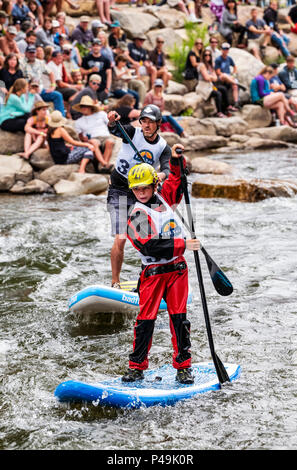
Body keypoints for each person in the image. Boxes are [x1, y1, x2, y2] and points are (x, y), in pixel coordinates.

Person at [122, 145, 200, 384]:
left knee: (179, 319)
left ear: (155, 185)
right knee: (146, 321)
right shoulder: (136, 214)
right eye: (136, 189)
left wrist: (176, 160)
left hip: (177, 271)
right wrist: (184, 244)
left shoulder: (165, 198)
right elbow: (149, 246)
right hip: (153, 273)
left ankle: (183, 367)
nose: (141, 193)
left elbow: (177, 180)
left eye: (145, 188)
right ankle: (136, 367)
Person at [107, 104, 172, 288]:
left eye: (151, 122)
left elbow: (167, 167)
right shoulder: (131, 133)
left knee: (146, 237)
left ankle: (147, 278)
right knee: (121, 237)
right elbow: (114, 129)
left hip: (141, 193)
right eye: (144, 121)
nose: (146, 125)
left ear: (158, 124)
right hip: (119, 189)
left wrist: (162, 175)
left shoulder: (162, 146)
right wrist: (112, 120)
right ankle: (115, 282)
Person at [20, 44, 65, 116]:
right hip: (27, 90)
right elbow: (19, 78)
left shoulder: (40, 62)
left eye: (33, 52)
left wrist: (53, 86)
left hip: (40, 89)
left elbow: (51, 73)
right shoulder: (21, 63)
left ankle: (60, 118)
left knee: (57, 95)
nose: (32, 54)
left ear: (35, 53)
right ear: (25, 53)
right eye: (30, 52)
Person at [72, 95, 115, 170]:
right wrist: (84, 139)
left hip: (105, 136)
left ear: (91, 107)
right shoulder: (78, 121)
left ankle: (103, 167)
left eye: (86, 106)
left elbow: (111, 124)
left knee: (110, 142)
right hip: (92, 138)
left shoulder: (101, 114)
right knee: (94, 142)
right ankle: (104, 164)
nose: (84, 108)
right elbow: (80, 136)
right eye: (82, 106)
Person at [198, 49, 229, 117]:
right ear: (203, 56)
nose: (207, 56)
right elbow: (206, 78)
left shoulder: (210, 65)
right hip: (203, 87)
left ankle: (227, 108)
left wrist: (210, 77)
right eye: (206, 55)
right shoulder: (201, 65)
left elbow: (215, 79)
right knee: (218, 94)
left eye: (209, 55)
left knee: (223, 89)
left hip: (209, 86)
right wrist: (211, 77)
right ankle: (219, 112)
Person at [81, 38, 112, 102]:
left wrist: (107, 88)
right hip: (90, 88)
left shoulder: (106, 59)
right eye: (94, 45)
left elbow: (109, 74)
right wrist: (90, 70)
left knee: (102, 107)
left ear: (101, 47)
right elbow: (81, 71)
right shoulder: (86, 58)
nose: (96, 47)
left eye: (97, 46)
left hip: (102, 88)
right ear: (92, 47)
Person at [214, 42, 241, 112]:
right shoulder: (218, 59)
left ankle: (236, 102)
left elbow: (235, 67)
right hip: (221, 77)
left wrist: (233, 74)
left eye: (227, 49)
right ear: (222, 50)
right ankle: (236, 83)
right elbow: (218, 72)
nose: (225, 50)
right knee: (224, 75)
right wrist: (228, 76)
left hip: (229, 77)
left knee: (234, 86)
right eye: (224, 49)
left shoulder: (229, 58)